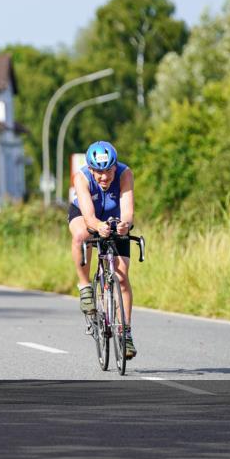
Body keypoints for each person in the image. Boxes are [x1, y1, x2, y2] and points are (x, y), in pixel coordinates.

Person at [69, 140, 137, 359]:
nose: (104, 177)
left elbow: (128, 211)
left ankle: (125, 335)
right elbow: (89, 216)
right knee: (82, 234)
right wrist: (97, 226)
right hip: (85, 214)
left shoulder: (125, 174)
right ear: (90, 169)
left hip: (114, 217)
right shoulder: (81, 177)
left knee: (122, 276)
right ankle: (85, 286)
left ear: (115, 167)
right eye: (98, 172)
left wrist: (124, 224)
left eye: (108, 171)